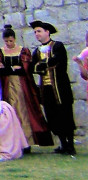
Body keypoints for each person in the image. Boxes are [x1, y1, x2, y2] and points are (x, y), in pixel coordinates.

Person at [0, 24, 49, 148]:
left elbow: (25, 69)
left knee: (23, 110)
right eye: (6, 41)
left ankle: (27, 141)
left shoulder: (23, 51)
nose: (8, 43)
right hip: (7, 86)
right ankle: (14, 142)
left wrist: (9, 68)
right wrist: (13, 68)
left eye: (11, 41)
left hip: (22, 86)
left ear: (15, 39)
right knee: (10, 111)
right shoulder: (0, 52)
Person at [29, 20, 77, 155]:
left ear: (47, 32)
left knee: (65, 114)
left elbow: (58, 62)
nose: (36, 34)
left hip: (60, 87)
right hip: (46, 89)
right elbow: (33, 67)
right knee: (52, 116)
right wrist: (45, 64)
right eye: (35, 32)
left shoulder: (58, 46)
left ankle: (70, 145)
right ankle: (62, 144)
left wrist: (44, 64)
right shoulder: (37, 51)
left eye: (39, 31)